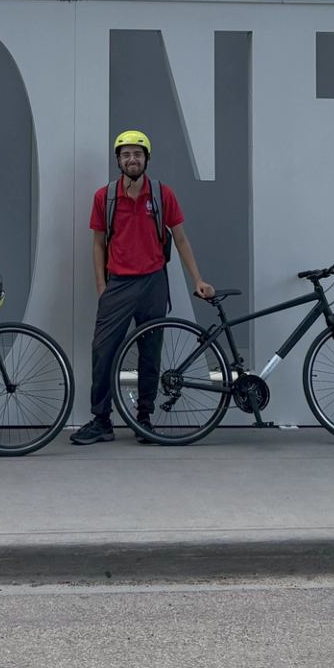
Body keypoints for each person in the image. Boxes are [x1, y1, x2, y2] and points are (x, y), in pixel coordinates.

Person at [72, 129, 213, 446]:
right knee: (103, 351)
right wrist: (101, 286)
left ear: (146, 158)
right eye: (125, 154)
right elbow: (97, 245)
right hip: (118, 283)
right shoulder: (104, 197)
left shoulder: (163, 195)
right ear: (118, 160)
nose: (131, 159)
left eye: (137, 154)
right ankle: (101, 421)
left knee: (150, 354)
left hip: (153, 282)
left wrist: (198, 279)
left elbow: (181, 239)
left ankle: (144, 419)